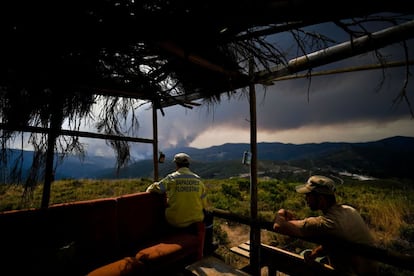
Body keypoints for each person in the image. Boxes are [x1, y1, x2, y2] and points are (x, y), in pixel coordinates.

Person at [273, 175, 379, 275]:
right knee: (309, 254)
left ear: (321, 199)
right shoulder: (349, 210)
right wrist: (315, 253)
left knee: (301, 261)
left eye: (308, 195)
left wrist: (282, 212)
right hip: (368, 271)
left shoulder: (326, 223)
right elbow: (336, 239)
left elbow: (278, 226)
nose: (306, 199)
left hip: (348, 272)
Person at [146, 152, 209, 259]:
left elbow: (155, 188)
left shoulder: (172, 178)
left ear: (176, 165)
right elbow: (204, 204)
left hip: (175, 221)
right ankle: (202, 252)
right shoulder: (198, 180)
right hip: (194, 221)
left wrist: (148, 190)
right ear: (189, 165)